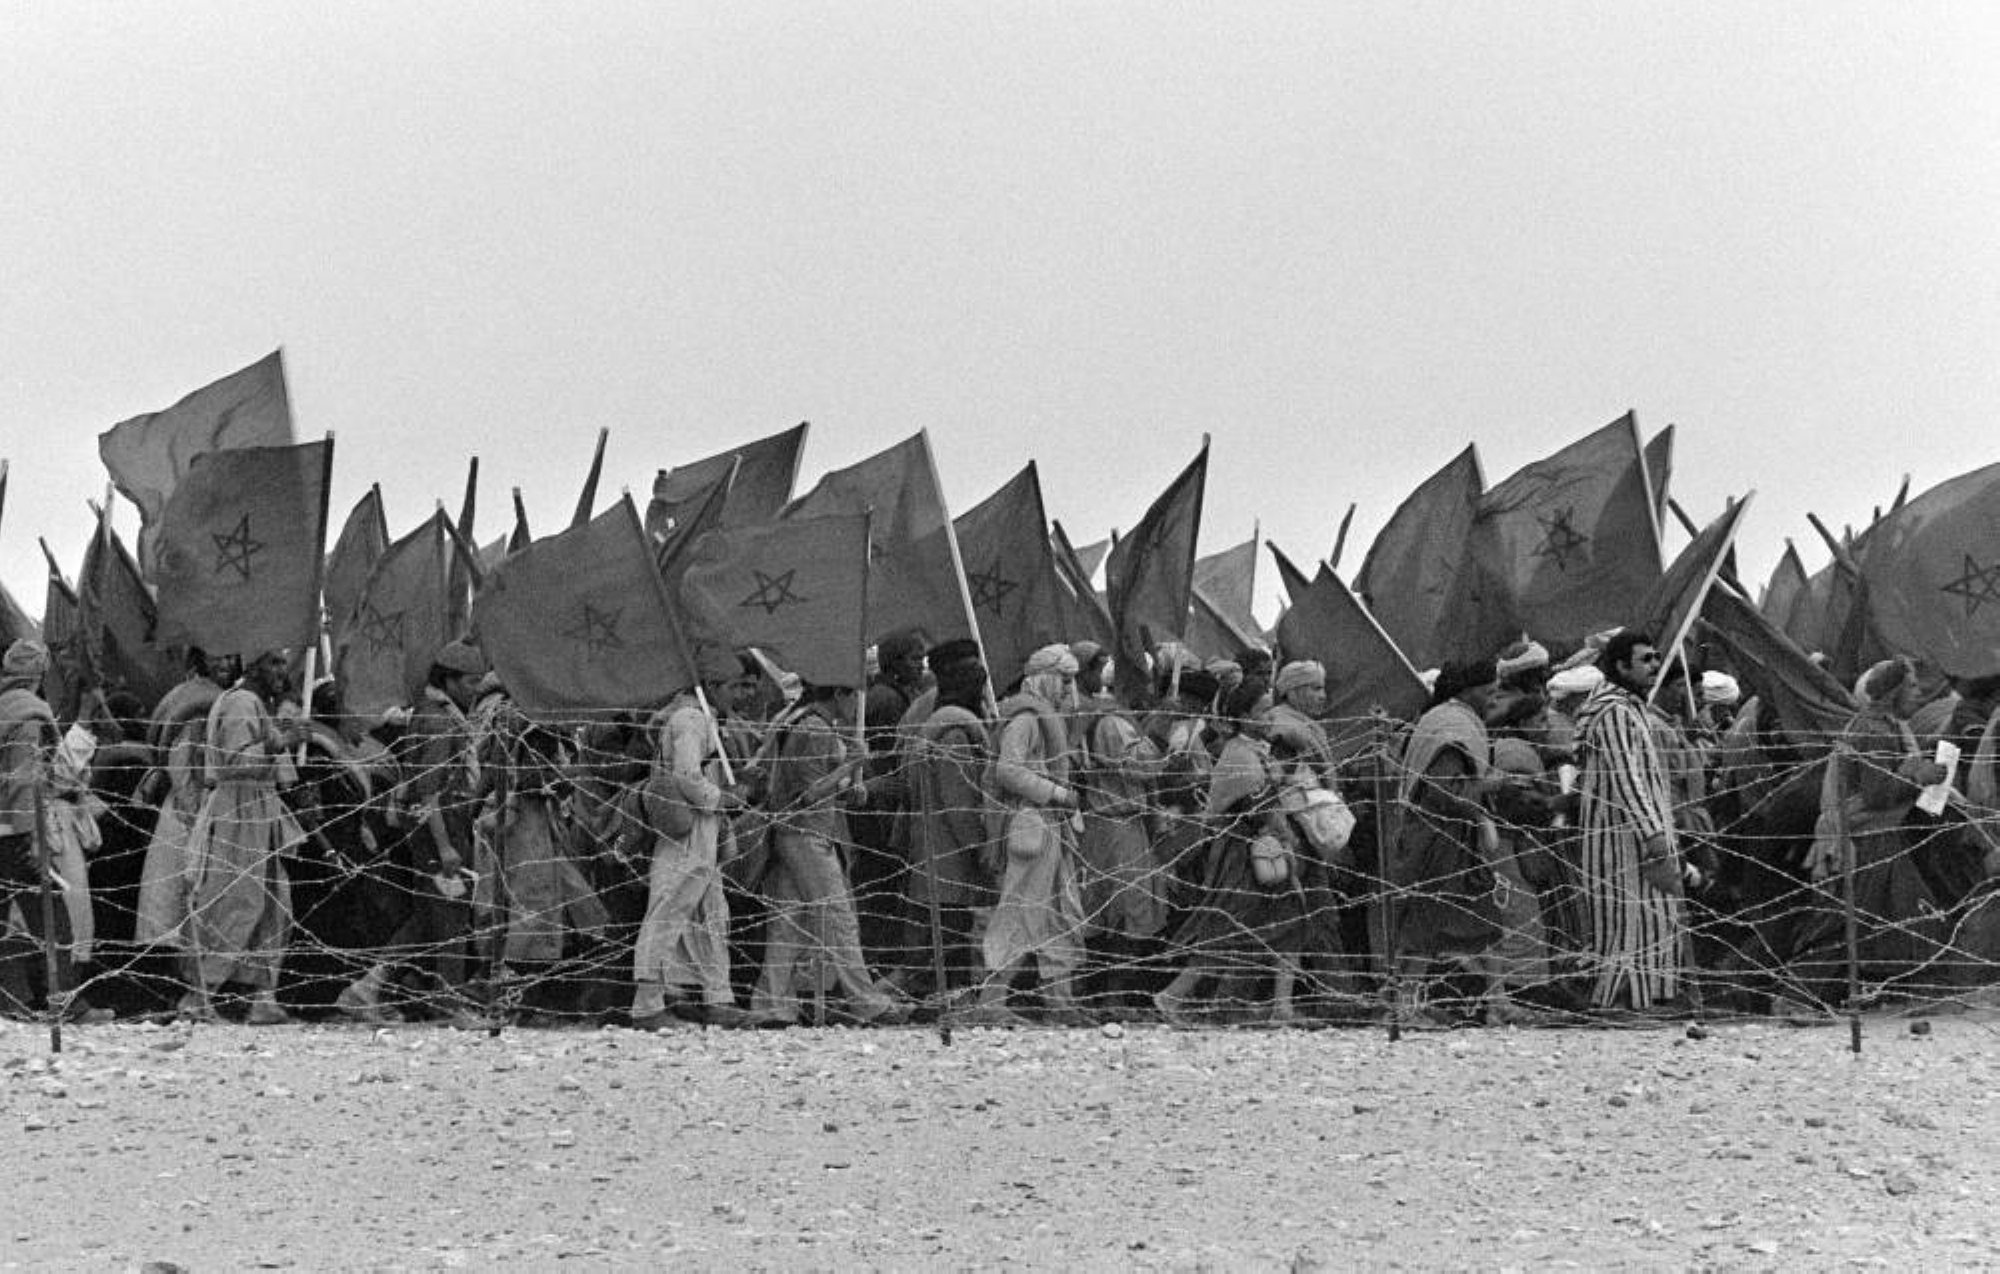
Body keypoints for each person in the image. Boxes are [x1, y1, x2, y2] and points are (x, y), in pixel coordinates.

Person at [336, 640, 486, 1023]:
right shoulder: (439, 720)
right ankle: (447, 1000)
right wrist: (446, 847)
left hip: (438, 824)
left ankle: (367, 987)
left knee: (427, 916)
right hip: (441, 826)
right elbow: (429, 787)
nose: (474, 690)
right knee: (449, 913)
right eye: (469, 682)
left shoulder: (432, 712)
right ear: (449, 680)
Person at [1154, 680, 1318, 1025]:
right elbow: (1251, 808)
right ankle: (1171, 996)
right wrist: (1281, 782)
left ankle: (1281, 1006)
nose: (1269, 717)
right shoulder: (1239, 755)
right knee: (1226, 926)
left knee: (1289, 920)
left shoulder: (1255, 750)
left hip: (1262, 848)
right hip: (1241, 851)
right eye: (1261, 711)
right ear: (1243, 716)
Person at [754, 682, 907, 1025]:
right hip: (808, 835)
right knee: (839, 919)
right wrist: (850, 764)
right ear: (840, 694)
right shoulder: (816, 729)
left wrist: (852, 788)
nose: (858, 705)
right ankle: (866, 1001)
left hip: (794, 832)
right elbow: (807, 795)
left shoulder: (803, 722)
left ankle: (771, 1004)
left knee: (788, 924)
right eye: (856, 696)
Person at [1387, 660, 1522, 1024]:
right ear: (1466, 691)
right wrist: (1493, 784)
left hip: (1454, 839)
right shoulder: (1452, 728)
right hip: (1437, 840)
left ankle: (1498, 1001)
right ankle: (1406, 1007)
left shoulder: (1441, 720)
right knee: (1424, 924)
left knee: (1485, 917)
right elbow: (1444, 789)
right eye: (1488, 690)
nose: (1494, 698)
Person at [179, 647, 308, 1024]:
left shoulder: (256, 703)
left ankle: (262, 995)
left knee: (274, 903)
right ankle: (199, 995)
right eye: (273, 662)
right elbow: (235, 762)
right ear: (253, 665)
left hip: (260, 810)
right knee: (237, 900)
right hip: (239, 811)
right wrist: (277, 743)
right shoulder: (241, 703)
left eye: (284, 662)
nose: (281, 670)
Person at [967, 644, 1091, 1026]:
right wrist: (1057, 793)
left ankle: (1060, 1001)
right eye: (1065, 681)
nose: (1070, 691)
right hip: (1030, 823)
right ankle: (992, 1000)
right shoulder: (1027, 718)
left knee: (1059, 911)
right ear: (1046, 678)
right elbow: (1009, 771)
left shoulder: (1047, 717)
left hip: (1051, 825)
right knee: (1020, 911)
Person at [630, 679, 757, 1029]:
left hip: (705, 826)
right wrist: (723, 798)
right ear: (714, 684)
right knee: (671, 906)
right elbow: (687, 776)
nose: (741, 694)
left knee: (712, 911)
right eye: (735, 686)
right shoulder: (691, 718)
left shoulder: (703, 717)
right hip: (690, 827)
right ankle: (648, 1005)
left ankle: (715, 996)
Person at [1574, 630, 1686, 1013]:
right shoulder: (1614, 712)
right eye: (1646, 659)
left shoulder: (1632, 708)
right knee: (1623, 919)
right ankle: (1615, 1004)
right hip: (1620, 836)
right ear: (1621, 666)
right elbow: (1626, 778)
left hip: (1641, 832)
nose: (1655, 665)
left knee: (1652, 917)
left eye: (1657, 657)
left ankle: (1644, 1002)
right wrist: (1652, 834)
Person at [0, 640, 110, 1022]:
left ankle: (9, 1003)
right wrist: (32, 837)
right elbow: (23, 780)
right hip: (15, 833)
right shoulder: (27, 715)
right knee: (53, 920)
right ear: (40, 674)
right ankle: (67, 1006)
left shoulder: (4, 709)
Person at [1069, 640, 1170, 1009]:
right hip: (1116, 826)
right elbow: (1143, 765)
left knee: (1106, 910)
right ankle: (1110, 996)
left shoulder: (1091, 716)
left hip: (1104, 826)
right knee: (1128, 911)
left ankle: (1101, 993)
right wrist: (1159, 733)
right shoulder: (1110, 721)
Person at [903, 639, 997, 998]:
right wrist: (979, 847)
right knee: (950, 930)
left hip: (933, 845)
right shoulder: (955, 733)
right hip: (948, 852)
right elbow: (959, 803)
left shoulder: (941, 722)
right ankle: (945, 1000)